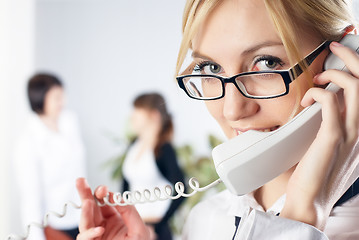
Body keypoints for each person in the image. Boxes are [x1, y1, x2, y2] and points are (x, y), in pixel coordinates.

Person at [75, 0, 359, 239]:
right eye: (210, 67)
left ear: (345, 58)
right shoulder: (208, 221)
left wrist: (300, 220)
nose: (231, 110)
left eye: (268, 63)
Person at [14, 73, 86, 240]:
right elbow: (30, 197)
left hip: (81, 217)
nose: (63, 102)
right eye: (57, 97)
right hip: (55, 225)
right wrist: (36, 236)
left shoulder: (70, 122)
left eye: (62, 96)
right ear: (40, 98)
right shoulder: (28, 143)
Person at [121, 93, 185, 240]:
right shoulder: (133, 145)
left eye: (137, 110)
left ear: (154, 115)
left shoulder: (163, 149)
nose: (132, 116)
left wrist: (158, 225)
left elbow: (182, 189)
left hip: (155, 231)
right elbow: (125, 188)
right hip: (133, 227)